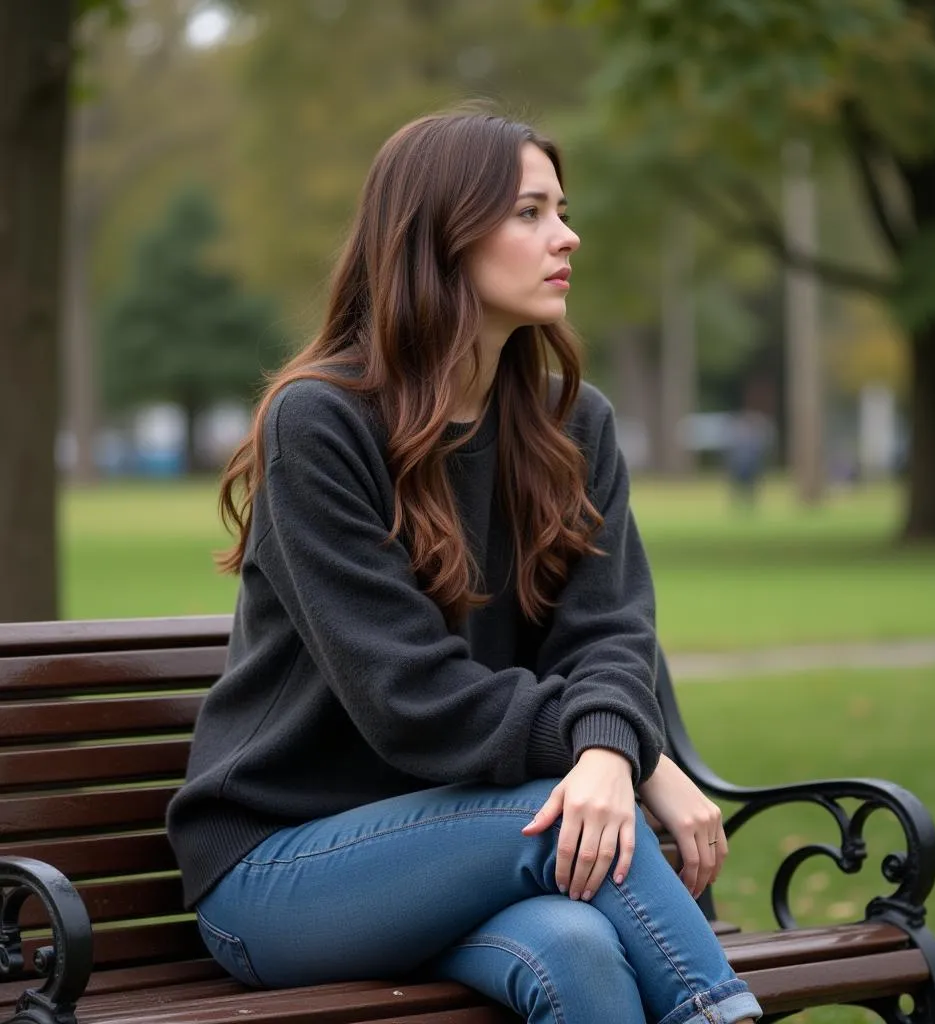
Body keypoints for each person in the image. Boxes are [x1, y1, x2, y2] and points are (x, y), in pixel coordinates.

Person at [166, 109, 762, 1024]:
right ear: (439, 237)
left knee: (577, 953)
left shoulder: (574, 425)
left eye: (561, 209)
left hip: (475, 841)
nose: (567, 236)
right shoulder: (321, 424)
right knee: (578, 820)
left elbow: (609, 631)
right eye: (529, 213)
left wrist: (613, 749)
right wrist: (625, 758)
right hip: (283, 869)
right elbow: (411, 696)